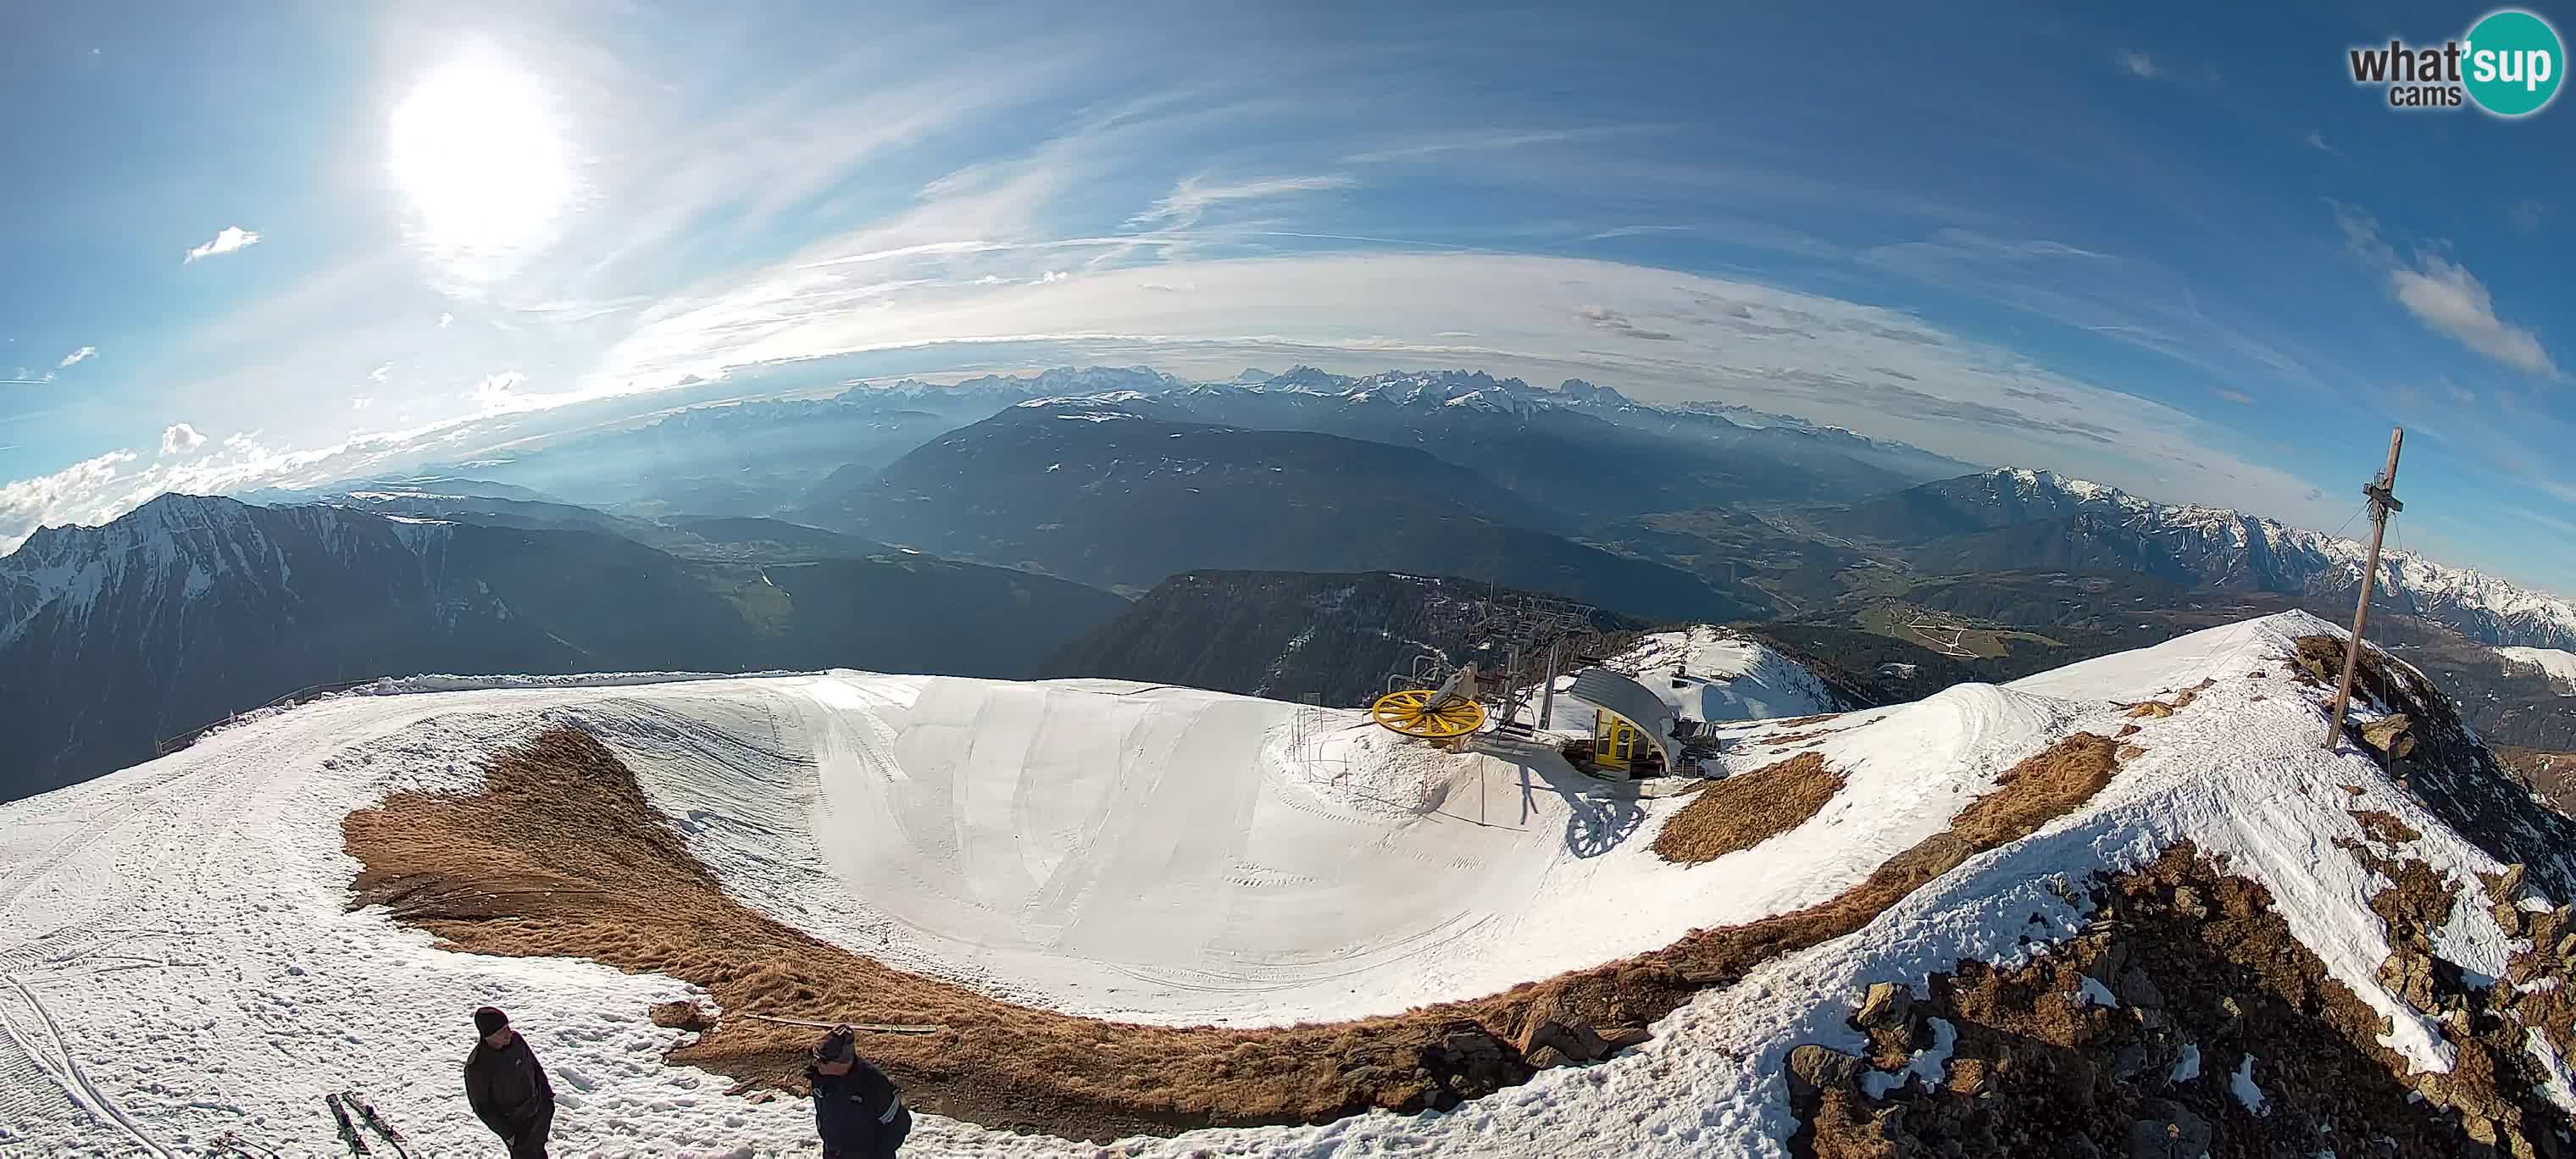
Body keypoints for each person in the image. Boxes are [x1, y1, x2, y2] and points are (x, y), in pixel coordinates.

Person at [464, 1006, 557, 1158]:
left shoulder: (516, 1040)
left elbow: (535, 1068)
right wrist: (509, 1135)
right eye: (501, 1032)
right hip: (516, 1126)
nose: (508, 1034)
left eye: (507, 1027)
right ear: (487, 1036)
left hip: (538, 1111)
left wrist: (547, 1100)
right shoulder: (478, 1066)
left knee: (539, 1150)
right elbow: (482, 1107)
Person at [808, 1024, 910, 1158]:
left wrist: (879, 1154)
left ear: (841, 1063)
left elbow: (899, 1125)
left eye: (822, 1061)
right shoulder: (819, 1076)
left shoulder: (874, 1084)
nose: (815, 1064)